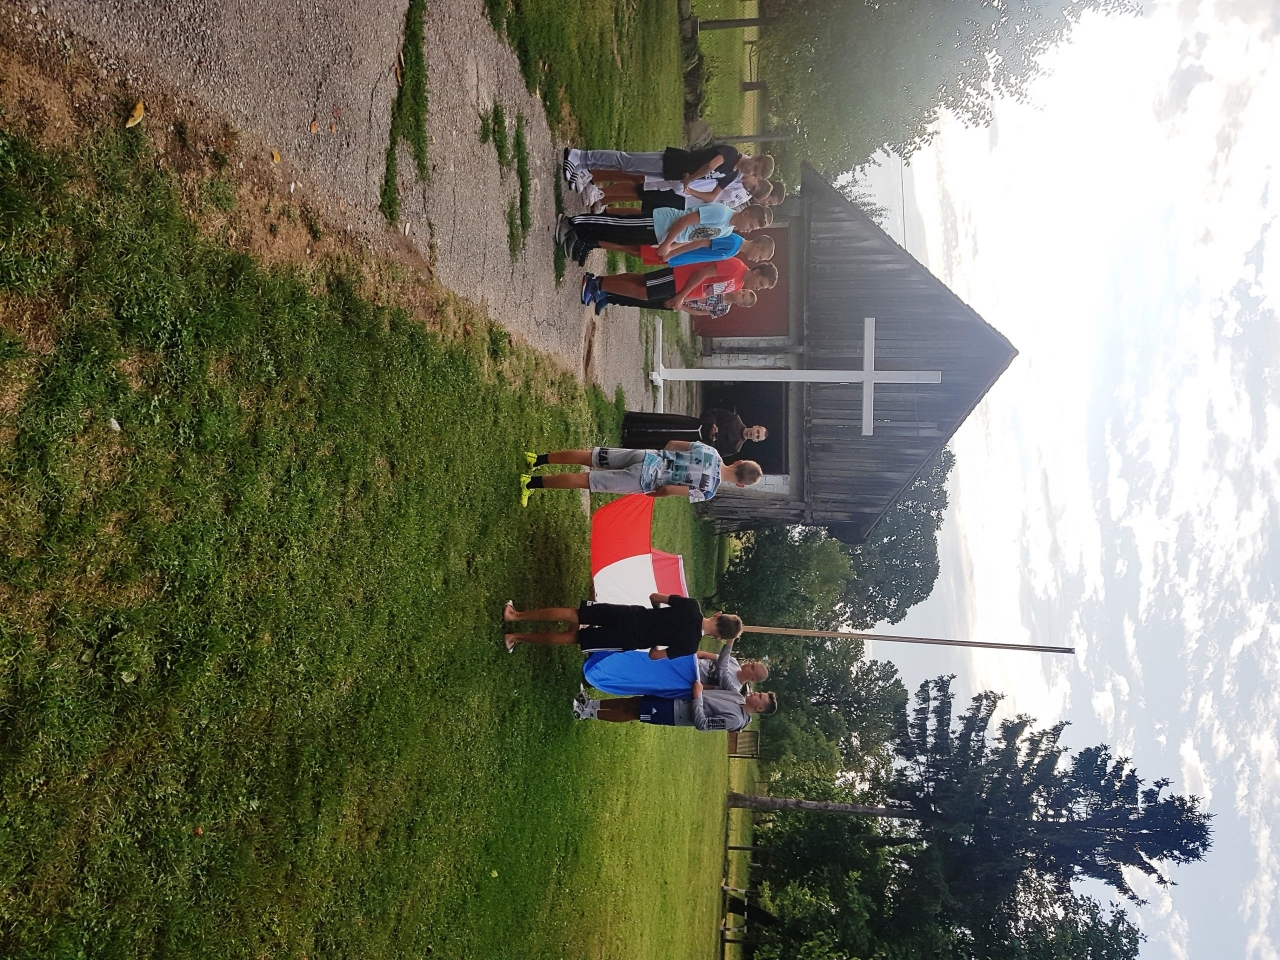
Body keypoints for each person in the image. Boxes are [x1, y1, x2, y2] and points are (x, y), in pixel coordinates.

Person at [517, 440, 762, 506]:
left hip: (647, 456)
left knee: (590, 456)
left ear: (738, 462)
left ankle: (537, 459)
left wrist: (658, 457)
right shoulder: (707, 492)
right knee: (587, 480)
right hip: (645, 480)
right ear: (740, 485)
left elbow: (673, 444)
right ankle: (530, 484)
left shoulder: (712, 452)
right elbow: (668, 490)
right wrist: (650, 493)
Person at [502, 592, 742, 656]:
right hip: (630, 639)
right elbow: (655, 656)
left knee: (576, 614)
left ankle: (515, 615)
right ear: (717, 638)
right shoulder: (690, 646)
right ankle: (515, 638)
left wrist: (657, 613)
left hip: (631, 615)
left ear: (718, 615)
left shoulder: (691, 606)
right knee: (575, 638)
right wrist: (657, 640)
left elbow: (655, 597)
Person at [557, 203, 772, 268]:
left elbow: (695, 238)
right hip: (660, 223)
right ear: (746, 213)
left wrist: (671, 250)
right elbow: (685, 221)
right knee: (616, 225)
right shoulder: (721, 213)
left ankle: (580, 236)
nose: (749, 229)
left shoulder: (727, 230)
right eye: (751, 224)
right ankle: (572, 222)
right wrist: (668, 243)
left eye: (753, 229)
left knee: (619, 237)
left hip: (662, 236)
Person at [563, 145, 775, 202]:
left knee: (628, 168)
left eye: (755, 174)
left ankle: (584, 165)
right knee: (626, 160)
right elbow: (711, 165)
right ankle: (581, 156)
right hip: (673, 162)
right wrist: (691, 179)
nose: (751, 171)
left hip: (671, 174)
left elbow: (713, 196)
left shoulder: (731, 174)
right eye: (755, 167)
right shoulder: (731, 154)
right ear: (755, 158)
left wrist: (691, 190)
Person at [581, 637, 767, 698]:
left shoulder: (733, 688)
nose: (748, 664)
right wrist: (686, 655)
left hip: (684, 679)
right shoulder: (733, 662)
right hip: (683, 662)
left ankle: (600, 677)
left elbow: (708, 689)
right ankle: (599, 657)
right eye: (752, 663)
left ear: (752, 678)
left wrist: (692, 680)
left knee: (642, 677)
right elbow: (704, 655)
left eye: (752, 667)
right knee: (642, 659)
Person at [581, 259, 778, 316]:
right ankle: (596, 285)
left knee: (642, 283)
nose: (758, 288)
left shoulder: (738, 284)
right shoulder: (736, 267)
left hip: (682, 291)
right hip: (680, 279)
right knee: (643, 291)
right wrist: (682, 295)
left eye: (762, 288)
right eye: (761, 284)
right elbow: (702, 274)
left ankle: (601, 282)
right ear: (757, 272)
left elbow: (706, 292)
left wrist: (682, 301)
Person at [571, 683, 777, 731]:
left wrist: (697, 697)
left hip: (674, 713)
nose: (756, 693)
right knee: (635, 701)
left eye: (760, 696)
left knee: (633, 712)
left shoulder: (736, 720)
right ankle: (590, 703)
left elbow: (703, 724)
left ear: (760, 708)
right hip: (675, 698)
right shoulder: (737, 696)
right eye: (759, 692)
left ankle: (586, 713)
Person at [620, 409, 768, 459]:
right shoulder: (734, 419)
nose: (754, 434)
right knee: (664, 423)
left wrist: (712, 440)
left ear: (755, 441)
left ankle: (630, 440)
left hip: (692, 442)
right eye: (757, 431)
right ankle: (631, 421)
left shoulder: (735, 447)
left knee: (662, 441)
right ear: (755, 426)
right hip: (693, 425)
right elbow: (713, 412)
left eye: (757, 437)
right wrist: (712, 424)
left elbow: (713, 454)